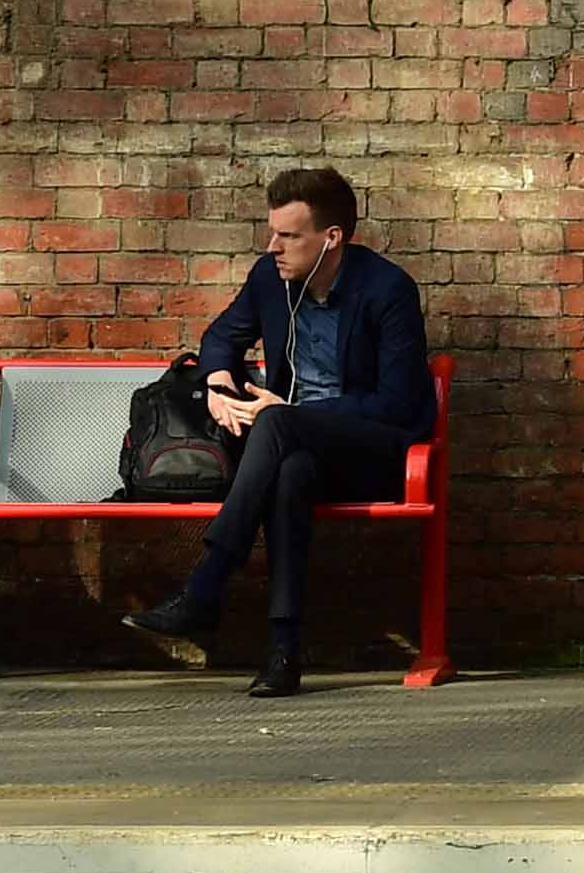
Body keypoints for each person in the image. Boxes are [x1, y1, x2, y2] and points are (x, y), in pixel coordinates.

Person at [128, 167, 432, 699]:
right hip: (291, 450)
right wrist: (218, 382)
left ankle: (208, 584)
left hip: (371, 453)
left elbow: (398, 404)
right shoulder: (271, 279)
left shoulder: (388, 290)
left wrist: (292, 411)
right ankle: (282, 653)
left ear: (331, 238)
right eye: (273, 233)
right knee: (291, 471)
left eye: (289, 236)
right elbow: (221, 336)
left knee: (276, 421)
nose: (274, 247)